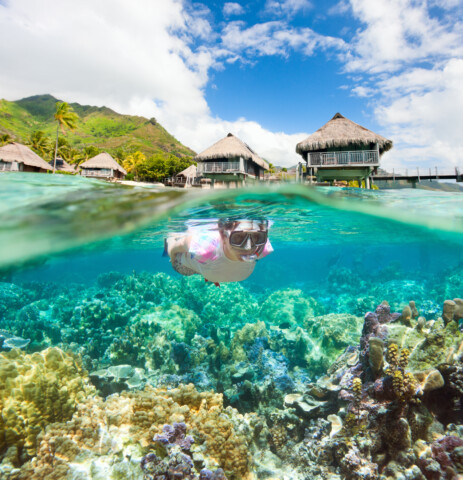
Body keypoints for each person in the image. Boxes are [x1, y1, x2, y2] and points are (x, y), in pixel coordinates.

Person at [165, 218, 273, 286]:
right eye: (239, 238)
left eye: (256, 237)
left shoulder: (262, 248)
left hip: (208, 267)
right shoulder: (205, 248)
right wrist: (172, 259)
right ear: (223, 235)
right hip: (187, 266)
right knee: (171, 245)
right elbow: (176, 246)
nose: (249, 247)